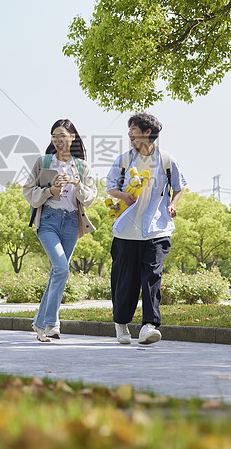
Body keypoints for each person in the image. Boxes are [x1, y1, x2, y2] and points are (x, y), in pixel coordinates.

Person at [106, 113, 185, 345]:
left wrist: (172, 204)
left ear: (147, 132)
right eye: (129, 129)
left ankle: (149, 326)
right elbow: (110, 187)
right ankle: (121, 324)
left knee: (152, 276)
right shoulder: (123, 160)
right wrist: (123, 195)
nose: (129, 133)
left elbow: (179, 187)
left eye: (133, 128)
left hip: (157, 229)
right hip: (126, 231)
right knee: (125, 280)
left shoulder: (167, 160)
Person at [23, 119, 97, 342]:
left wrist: (76, 183)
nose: (58, 140)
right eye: (54, 136)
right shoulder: (44, 162)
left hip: (71, 223)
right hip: (48, 221)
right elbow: (28, 191)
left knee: (59, 272)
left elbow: (91, 197)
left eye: (63, 135)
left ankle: (46, 323)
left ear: (73, 137)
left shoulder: (82, 166)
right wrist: (49, 191)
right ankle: (47, 323)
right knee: (62, 268)